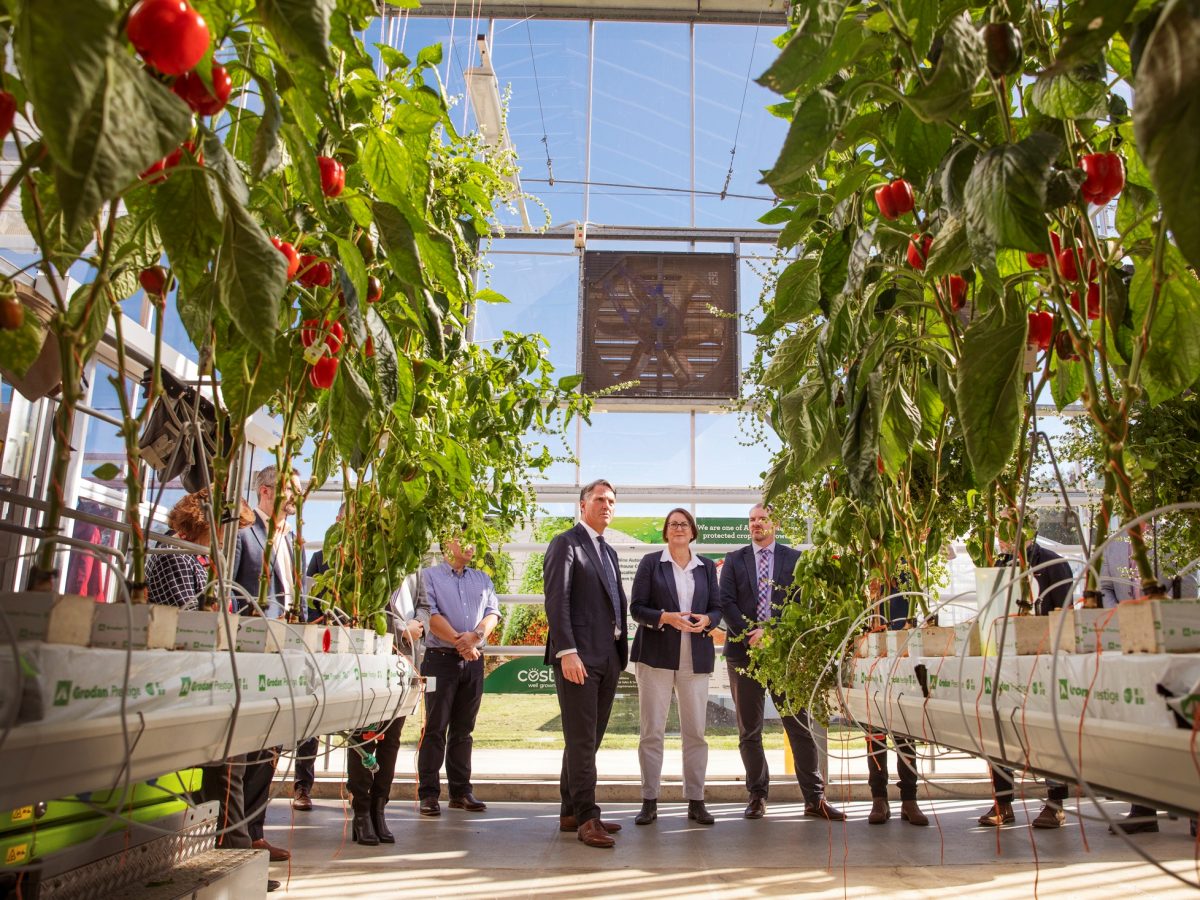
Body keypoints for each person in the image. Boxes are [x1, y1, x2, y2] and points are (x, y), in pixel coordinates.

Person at [719, 503, 844, 822]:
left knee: (798, 726)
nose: (756, 524)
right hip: (743, 655)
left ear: (775, 523)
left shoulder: (794, 559)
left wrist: (771, 632)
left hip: (785, 654)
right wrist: (751, 633)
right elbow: (726, 602)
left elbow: (802, 603)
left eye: (762, 519)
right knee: (750, 730)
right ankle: (757, 795)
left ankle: (814, 799)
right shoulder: (735, 560)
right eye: (751, 520)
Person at [543, 479, 628, 848]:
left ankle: (571, 810)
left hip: (607, 656)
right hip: (578, 657)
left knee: (587, 739)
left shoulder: (606, 551)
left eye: (611, 500)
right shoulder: (566, 543)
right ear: (582, 505)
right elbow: (556, 599)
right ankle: (588, 818)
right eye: (598, 499)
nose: (606, 505)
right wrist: (567, 651)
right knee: (581, 739)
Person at [979, 511, 1076, 828]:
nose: (1002, 535)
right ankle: (1002, 803)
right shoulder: (1000, 568)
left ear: (1027, 528)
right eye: (1000, 527)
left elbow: (1064, 615)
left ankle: (1054, 803)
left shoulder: (1051, 563)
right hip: (1004, 663)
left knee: (1044, 731)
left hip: (1042, 660)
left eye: (1009, 525)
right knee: (999, 731)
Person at [230, 465, 306, 863]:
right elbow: (231, 590)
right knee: (245, 747)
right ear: (264, 491)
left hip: (286, 653)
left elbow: (298, 594)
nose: (295, 500)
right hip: (251, 653)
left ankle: (255, 832)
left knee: (271, 745)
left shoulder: (291, 540)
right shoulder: (244, 532)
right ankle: (235, 835)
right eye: (288, 492)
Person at [629, 508, 721, 827]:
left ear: (693, 531)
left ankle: (696, 801)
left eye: (684, 524)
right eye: (673, 524)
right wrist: (665, 617)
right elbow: (636, 609)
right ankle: (649, 800)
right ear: (666, 532)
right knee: (651, 731)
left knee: (695, 731)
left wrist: (708, 620)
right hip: (655, 656)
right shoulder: (651, 563)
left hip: (694, 656)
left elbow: (718, 608)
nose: (679, 528)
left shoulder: (706, 567)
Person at [415, 534, 500, 817]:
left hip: (473, 662)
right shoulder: (429, 576)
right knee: (435, 728)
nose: (471, 543)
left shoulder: (482, 579)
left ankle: (461, 791)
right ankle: (428, 794)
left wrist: (475, 637)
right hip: (439, 660)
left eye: (473, 538)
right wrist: (459, 642)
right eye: (463, 538)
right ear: (446, 543)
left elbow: (492, 614)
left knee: (464, 730)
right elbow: (430, 615)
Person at [348, 570, 426, 845]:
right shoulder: (375, 558)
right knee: (364, 736)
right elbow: (366, 608)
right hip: (372, 658)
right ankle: (361, 811)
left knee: (392, 738)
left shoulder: (414, 563)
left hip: (406, 660)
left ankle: (379, 808)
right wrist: (400, 630)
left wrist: (418, 623)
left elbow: (424, 605)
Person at [864, 577, 929, 827]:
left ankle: (909, 799)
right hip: (871, 658)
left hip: (903, 656)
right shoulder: (866, 569)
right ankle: (878, 798)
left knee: (905, 732)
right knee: (874, 732)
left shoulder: (905, 575)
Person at [232, 465, 307, 620]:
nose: (296, 497)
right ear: (265, 491)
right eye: (289, 489)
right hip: (254, 631)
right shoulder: (242, 533)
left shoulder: (295, 540)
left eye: (299, 492)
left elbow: (302, 595)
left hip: (292, 633)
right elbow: (228, 588)